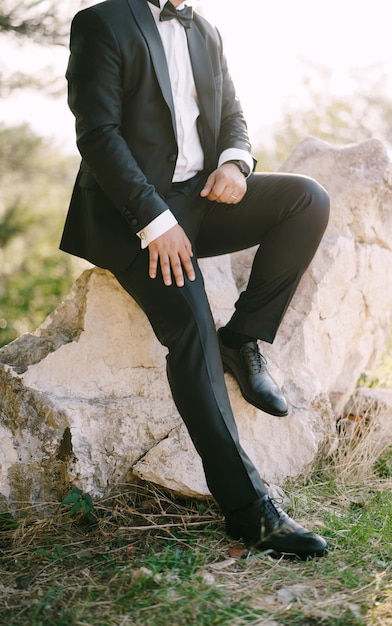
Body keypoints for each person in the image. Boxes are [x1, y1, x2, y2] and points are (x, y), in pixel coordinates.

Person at [60, 0, 330, 560]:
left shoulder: (206, 30)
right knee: (191, 325)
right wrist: (155, 223)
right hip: (129, 215)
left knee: (307, 199)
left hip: (200, 200)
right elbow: (98, 134)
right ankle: (248, 510)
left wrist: (235, 162)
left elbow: (232, 113)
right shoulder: (102, 22)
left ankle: (243, 338)